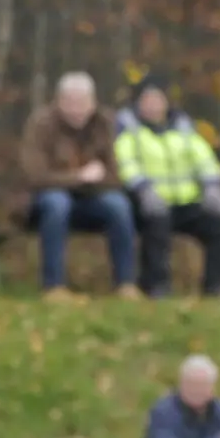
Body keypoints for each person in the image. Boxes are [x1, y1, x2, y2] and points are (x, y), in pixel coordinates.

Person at [17, 72, 139, 300]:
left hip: (94, 198)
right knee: (57, 203)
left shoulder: (107, 123)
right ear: (58, 101)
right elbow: (35, 175)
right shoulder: (41, 124)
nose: (76, 109)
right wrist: (79, 177)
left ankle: (126, 284)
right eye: (70, 102)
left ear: (93, 102)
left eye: (82, 103)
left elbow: (117, 175)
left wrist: (93, 180)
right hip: (46, 200)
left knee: (119, 205)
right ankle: (54, 286)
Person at [114, 75, 220, 297]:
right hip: (148, 203)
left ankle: (216, 286)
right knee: (157, 225)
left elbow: (205, 160)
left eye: (157, 100)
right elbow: (126, 164)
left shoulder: (184, 130)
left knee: (218, 224)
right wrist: (143, 190)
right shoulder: (130, 132)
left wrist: (212, 187)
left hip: (187, 202)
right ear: (138, 104)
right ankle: (156, 286)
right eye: (146, 101)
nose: (153, 106)